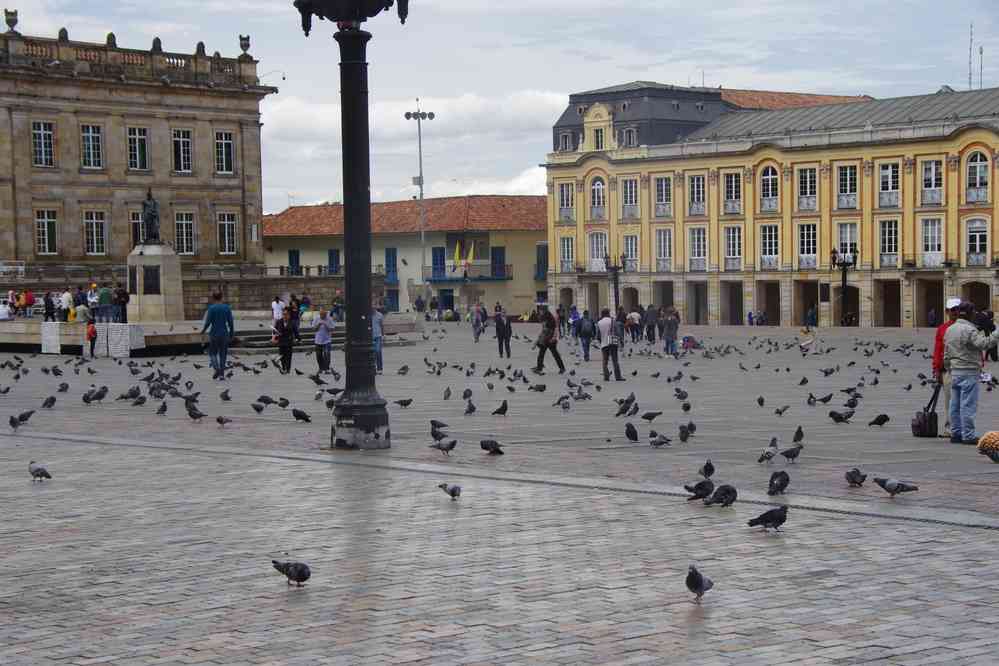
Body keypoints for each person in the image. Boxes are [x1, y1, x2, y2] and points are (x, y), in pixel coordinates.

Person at [943, 301, 999, 445]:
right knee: (968, 405)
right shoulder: (969, 329)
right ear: (969, 313)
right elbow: (984, 344)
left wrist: (949, 367)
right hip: (968, 371)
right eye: (973, 312)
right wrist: (997, 333)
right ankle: (968, 435)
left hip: (954, 371)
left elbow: (946, 352)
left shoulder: (950, 329)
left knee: (954, 405)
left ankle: (956, 434)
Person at [932, 298, 961, 438]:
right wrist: (936, 369)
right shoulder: (942, 328)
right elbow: (938, 350)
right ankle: (950, 428)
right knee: (949, 400)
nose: (955, 312)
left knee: (965, 402)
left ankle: (961, 428)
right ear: (947, 311)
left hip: (965, 369)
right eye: (952, 310)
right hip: (948, 370)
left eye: (957, 309)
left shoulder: (969, 327)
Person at [201, 291, 235, 380]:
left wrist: (203, 330)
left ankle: (217, 368)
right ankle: (221, 375)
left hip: (214, 333)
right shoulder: (227, 308)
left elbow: (208, 322)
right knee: (223, 354)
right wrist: (231, 333)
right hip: (224, 333)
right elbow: (231, 322)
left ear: (213, 298)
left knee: (212, 353)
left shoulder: (211, 308)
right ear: (222, 297)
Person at [533, 305, 565, 373]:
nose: (539, 312)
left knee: (550, 354)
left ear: (543, 311)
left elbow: (550, 330)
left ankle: (540, 368)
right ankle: (561, 368)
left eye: (540, 311)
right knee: (550, 354)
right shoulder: (548, 318)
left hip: (549, 340)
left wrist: (537, 341)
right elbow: (545, 330)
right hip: (548, 340)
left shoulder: (547, 319)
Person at [597, 308, 623, 381]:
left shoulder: (599, 322)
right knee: (615, 360)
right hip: (612, 342)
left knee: (605, 361)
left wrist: (602, 340)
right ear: (608, 313)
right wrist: (621, 340)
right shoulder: (612, 321)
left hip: (604, 344)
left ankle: (606, 376)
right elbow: (618, 332)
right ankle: (618, 377)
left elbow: (598, 336)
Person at [273, 307, 295, 374]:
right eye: (283, 314)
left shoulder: (292, 322)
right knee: (282, 356)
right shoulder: (279, 321)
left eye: (286, 314)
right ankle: (283, 368)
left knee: (288, 356)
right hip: (281, 341)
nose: (285, 316)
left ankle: (288, 369)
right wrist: (275, 338)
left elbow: (296, 332)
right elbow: (274, 331)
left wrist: (298, 339)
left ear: (289, 315)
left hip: (289, 342)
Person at [314, 308, 334, 374]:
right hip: (318, 340)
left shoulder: (329, 319)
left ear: (326, 314)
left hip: (327, 340)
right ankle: (321, 368)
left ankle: (327, 368)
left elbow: (332, 329)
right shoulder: (316, 318)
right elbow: (314, 329)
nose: (322, 316)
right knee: (318, 355)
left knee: (327, 354)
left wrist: (326, 325)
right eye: (321, 314)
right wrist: (318, 325)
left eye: (323, 314)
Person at [371, 306, 385, 374]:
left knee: (378, 351)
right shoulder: (368, 315)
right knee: (372, 353)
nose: (372, 309)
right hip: (370, 337)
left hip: (378, 336)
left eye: (374, 308)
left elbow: (382, 325)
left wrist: (383, 335)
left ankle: (380, 368)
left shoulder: (380, 315)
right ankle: (373, 368)